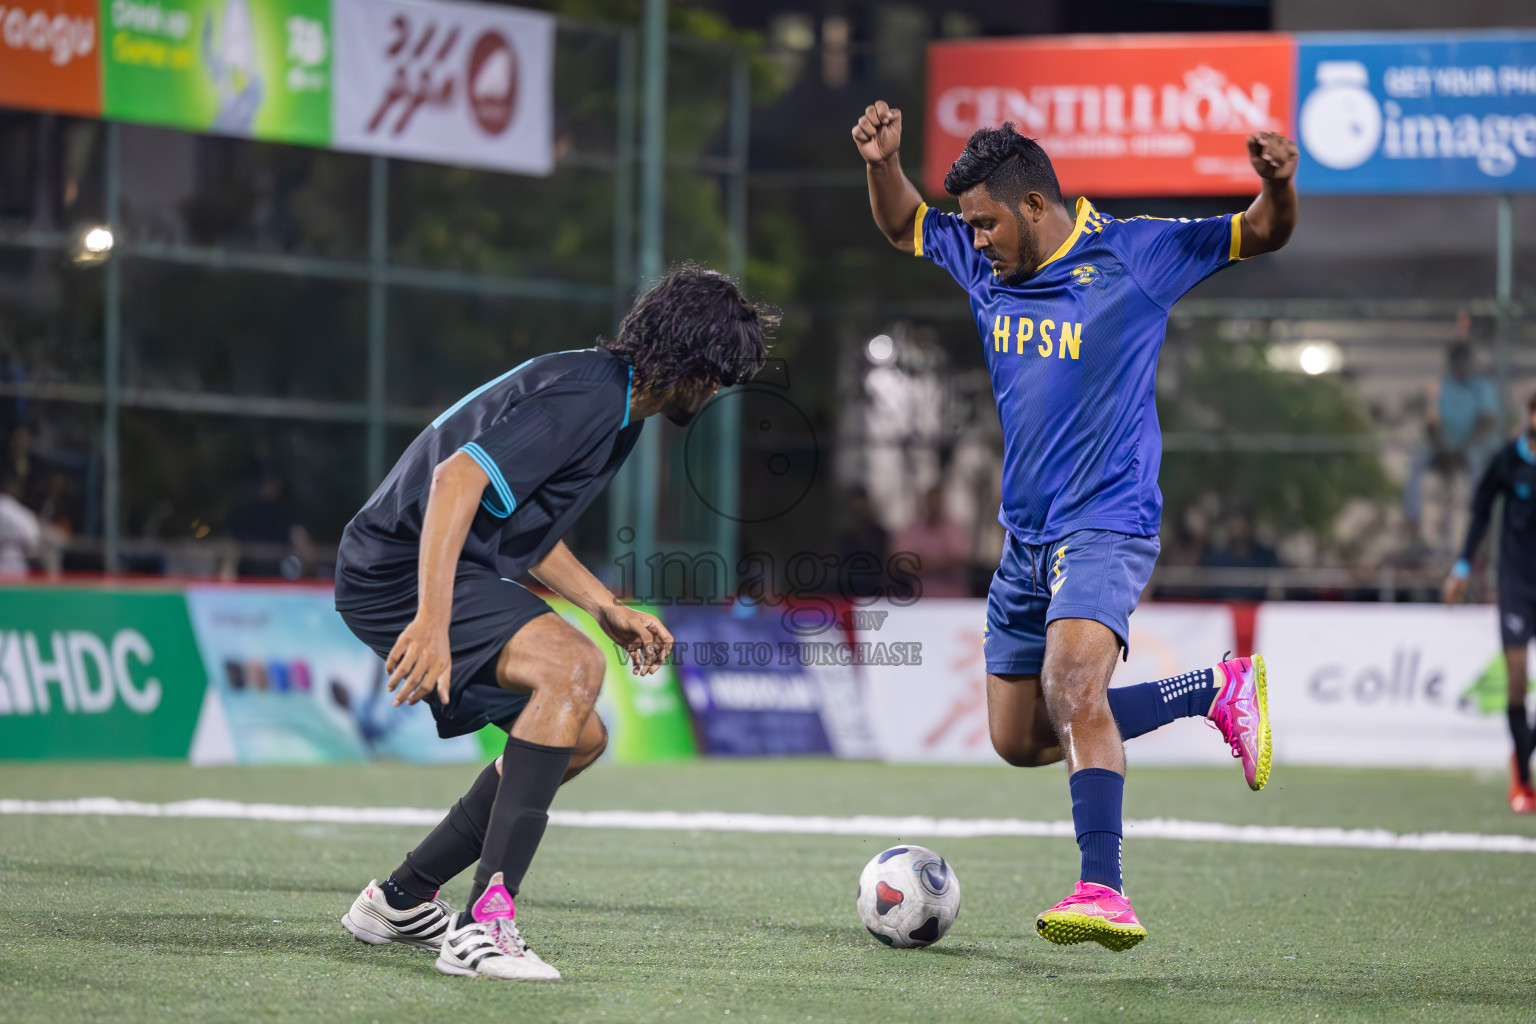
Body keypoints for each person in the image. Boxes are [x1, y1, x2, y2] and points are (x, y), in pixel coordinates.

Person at [853, 103, 1297, 950]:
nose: (973, 238)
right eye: (969, 226)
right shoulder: (984, 259)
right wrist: (883, 161)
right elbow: (905, 220)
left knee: (1072, 687)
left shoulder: (1136, 254)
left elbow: (1261, 233)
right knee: (1019, 739)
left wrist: (1276, 183)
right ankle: (1214, 690)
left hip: (1108, 521)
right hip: (1024, 538)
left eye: (984, 223)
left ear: (1032, 206)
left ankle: (1104, 887)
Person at [334, 266, 769, 981]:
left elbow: (522, 528)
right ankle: (482, 926)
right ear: (690, 362)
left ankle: (401, 898)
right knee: (574, 667)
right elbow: (457, 482)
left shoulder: (616, 404)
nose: (716, 391)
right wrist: (433, 619)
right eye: (717, 375)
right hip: (395, 568)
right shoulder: (590, 397)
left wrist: (602, 604)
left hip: (427, 564)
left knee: (580, 736)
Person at [1443, 390, 1536, 814]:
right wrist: (1462, 568)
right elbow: (1481, 513)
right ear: (1527, 415)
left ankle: (1522, 753)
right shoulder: (1507, 461)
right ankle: (1523, 779)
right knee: (1516, 681)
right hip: (1517, 585)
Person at [891, 484, 972, 598]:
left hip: (953, 600)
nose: (935, 505)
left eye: (938, 502)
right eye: (932, 501)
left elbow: (962, 559)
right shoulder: (914, 529)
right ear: (926, 503)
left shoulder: (953, 527)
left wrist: (924, 562)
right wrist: (943, 561)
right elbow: (902, 564)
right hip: (920, 599)